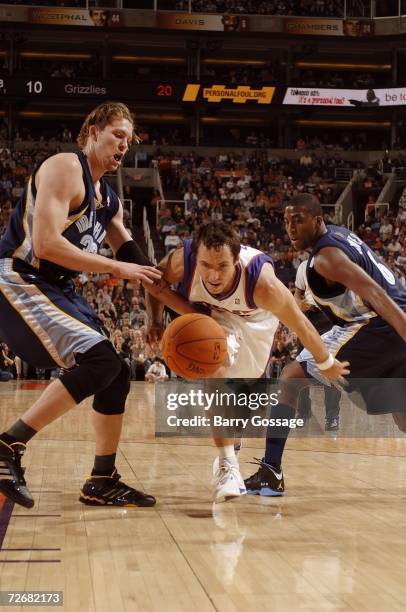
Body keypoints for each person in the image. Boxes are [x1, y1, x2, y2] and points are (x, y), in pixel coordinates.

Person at [0, 101, 193, 509]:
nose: (125, 145)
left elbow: (141, 266)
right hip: (18, 277)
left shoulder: (108, 200)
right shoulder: (65, 167)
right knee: (101, 362)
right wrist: (118, 268)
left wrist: (192, 311)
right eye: (117, 135)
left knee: (117, 374)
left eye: (130, 139)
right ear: (92, 132)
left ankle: (102, 479)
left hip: (55, 287)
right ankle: (7, 445)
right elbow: (46, 243)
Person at [146, 221, 349, 502]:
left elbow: (301, 325)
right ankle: (227, 464)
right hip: (215, 319)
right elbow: (154, 281)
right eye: (205, 265)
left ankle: (233, 445)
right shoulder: (182, 261)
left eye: (222, 266)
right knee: (216, 370)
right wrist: (155, 320)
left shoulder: (263, 284)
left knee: (246, 388)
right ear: (196, 258)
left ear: (236, 260)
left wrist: (326, 362)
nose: (213, 275)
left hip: (256, 320)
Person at [245, 193, 406, 497]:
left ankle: (270, 471)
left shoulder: (325, 259)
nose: (290, 228)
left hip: (380, 325)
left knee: (290, 378)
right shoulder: (341, 237)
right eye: (286, 221)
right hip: (390, 321)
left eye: (298, 220)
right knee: (403, 417)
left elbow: (375, 292)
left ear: (317, 220)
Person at [294, 260, 342, 431]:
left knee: (330, 368)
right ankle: (303, 412)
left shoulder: (335, 263)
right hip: (308, 319)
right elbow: (297, 294)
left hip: (329, 318)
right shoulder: (303, 266)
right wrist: (300, 305)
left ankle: (332, 417)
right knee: (301, 367)